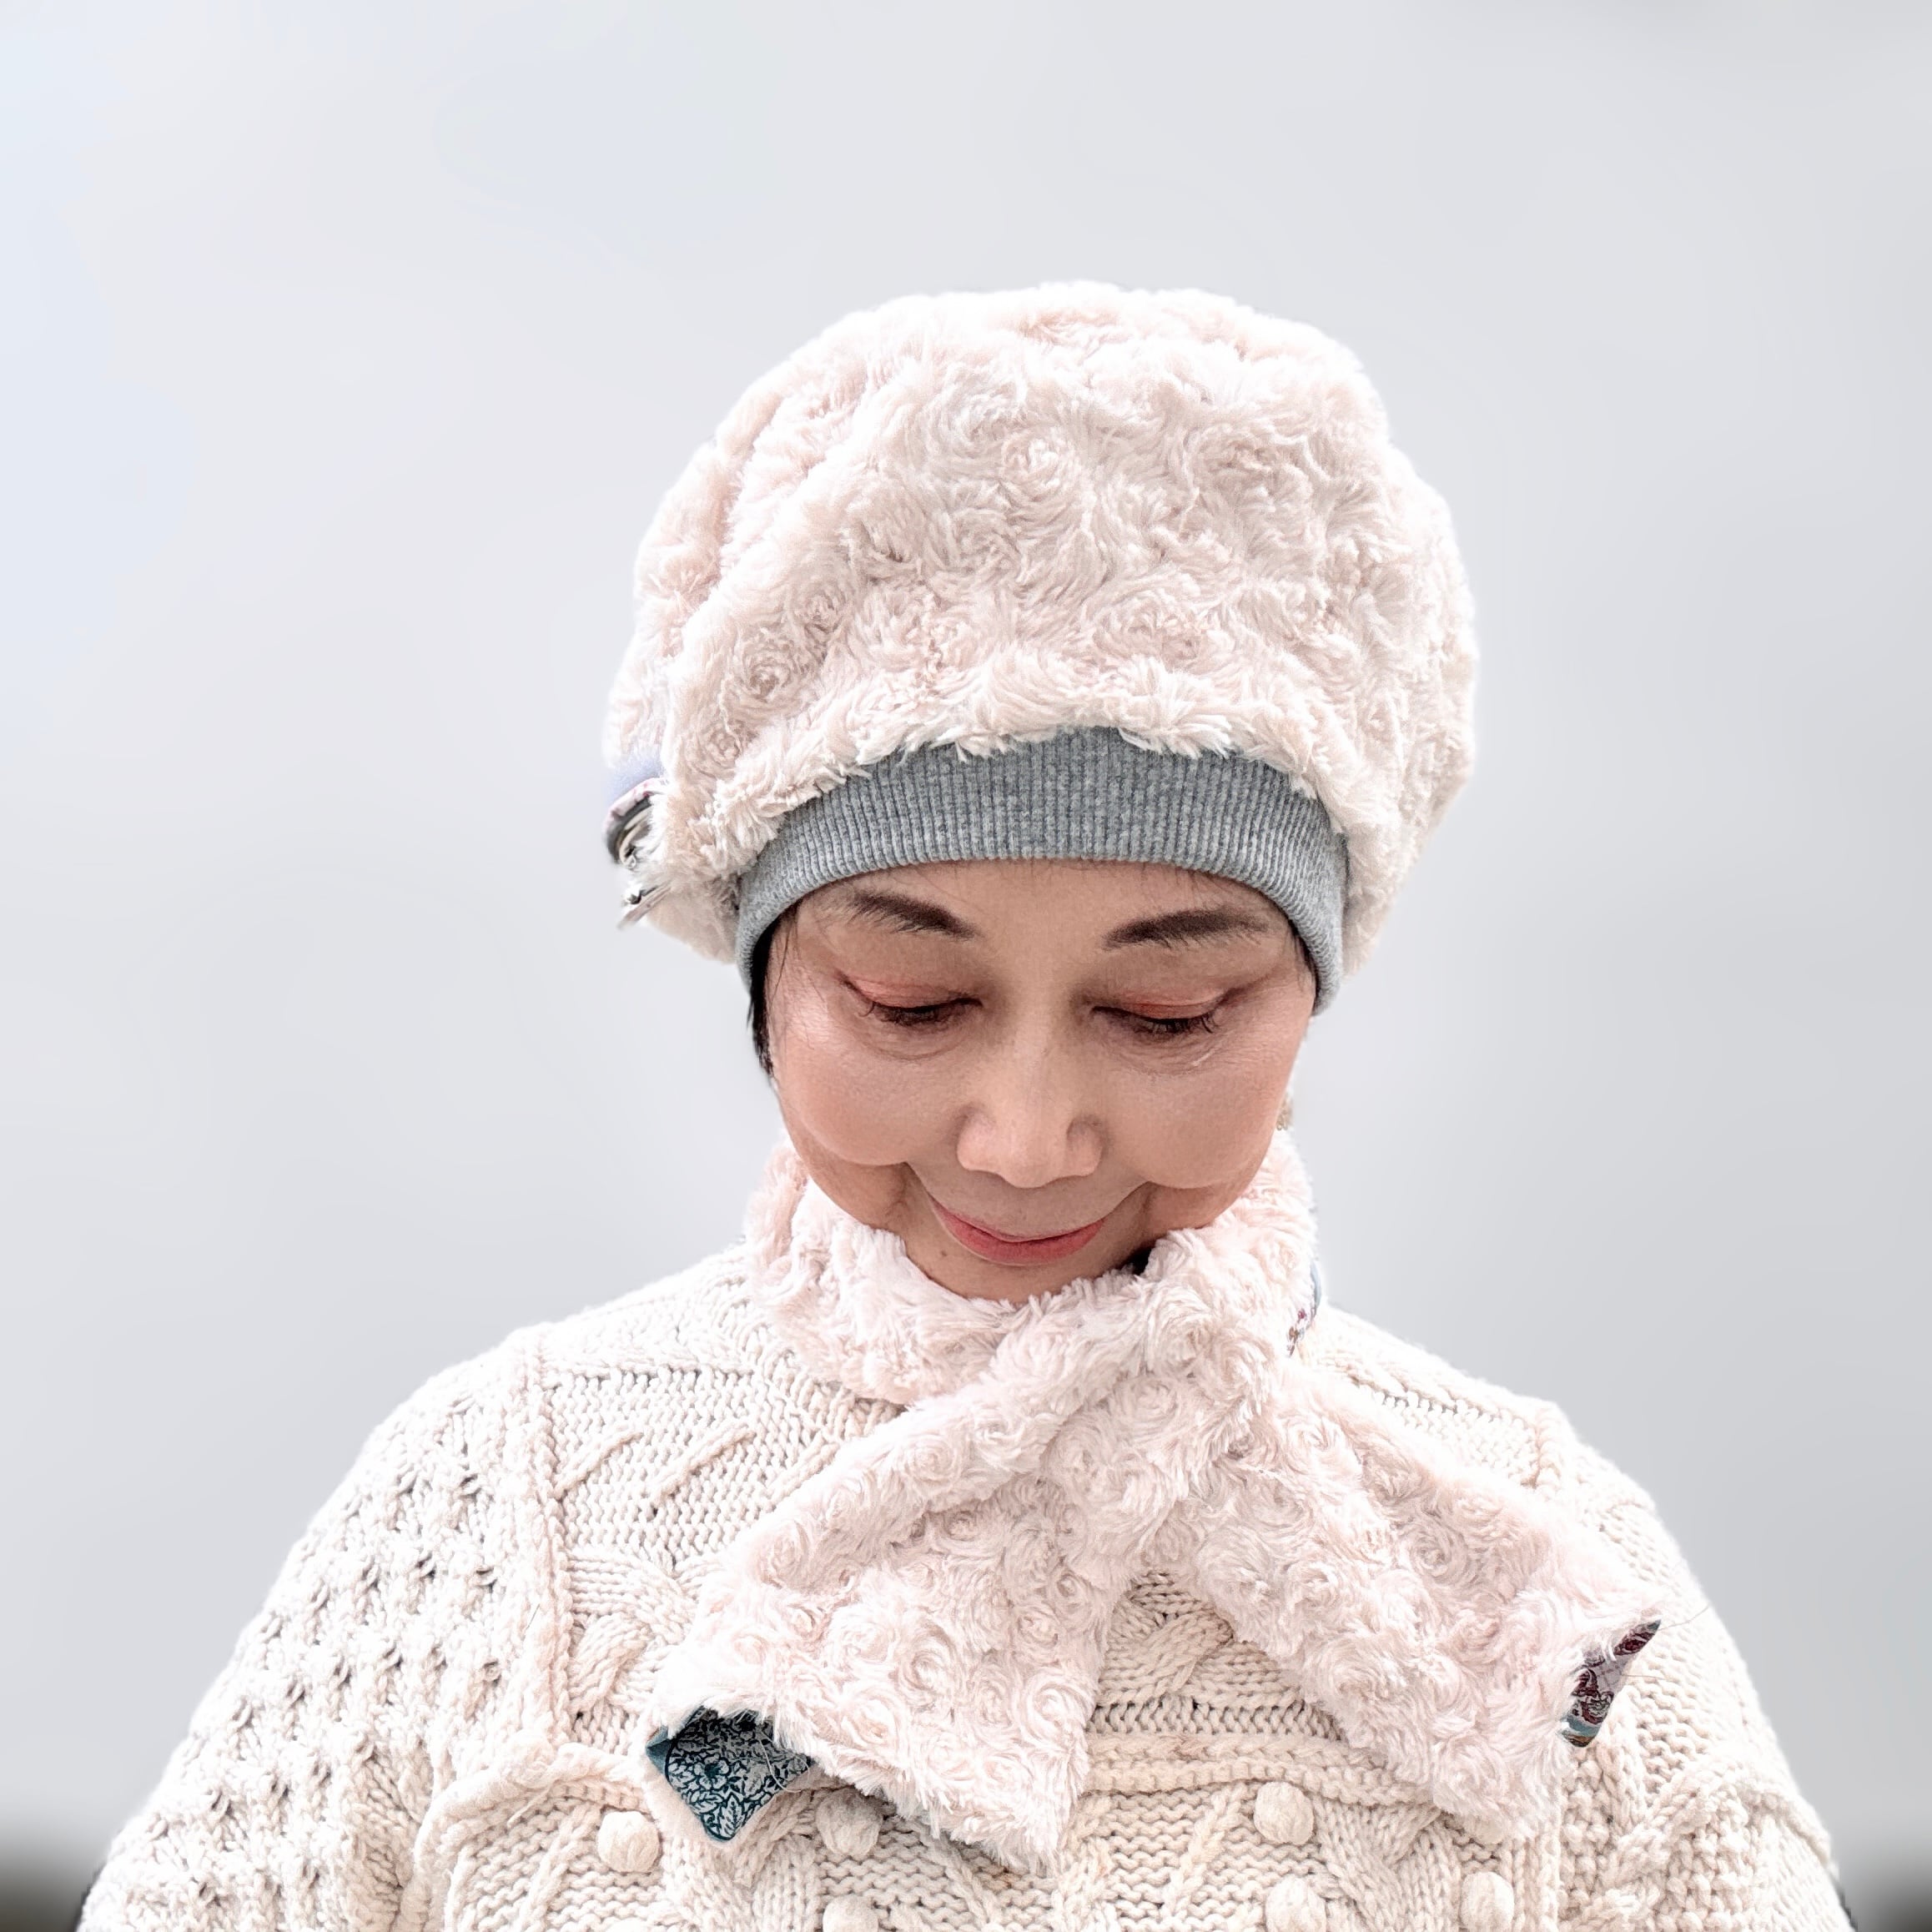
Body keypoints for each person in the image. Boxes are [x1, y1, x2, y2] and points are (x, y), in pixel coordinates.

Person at [81, 287, 1850, 1931]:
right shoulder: (496, 1509)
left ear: (1309, 995)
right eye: (911, 1001)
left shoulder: (1549, 1582)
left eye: (1165, 1014)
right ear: (762, 972)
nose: (1024, 1137)